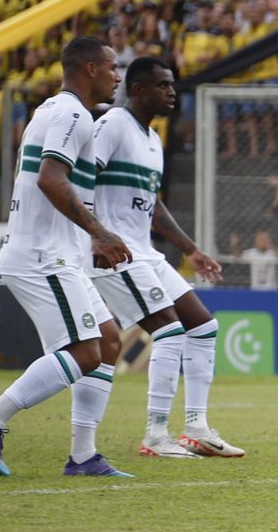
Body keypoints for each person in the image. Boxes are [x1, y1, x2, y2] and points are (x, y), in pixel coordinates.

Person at [0, 36, 132, 479]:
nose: (117, 76)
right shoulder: (73, 112)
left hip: (56, 252)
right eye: (113, 67)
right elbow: (51, 180)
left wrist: (89, 235)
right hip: (41, 255)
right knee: (85, 351)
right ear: (90, 69)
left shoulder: (56, 110)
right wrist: (100, 231)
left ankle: (83, 456)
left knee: (108, 341)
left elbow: (60, 181)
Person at [87, 57, 242, 461]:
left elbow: (151, 205)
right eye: (163, 85)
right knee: (170, 332)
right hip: (114, 250)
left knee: (203, 327)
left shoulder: (153, 141)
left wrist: (191, 249)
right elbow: (81, 178)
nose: (172, 92)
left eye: (172, 85)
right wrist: (95, 236)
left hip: (145, 251)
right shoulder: (113, 124)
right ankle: (156, 435)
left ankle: (196, 428)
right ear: (138, 89)